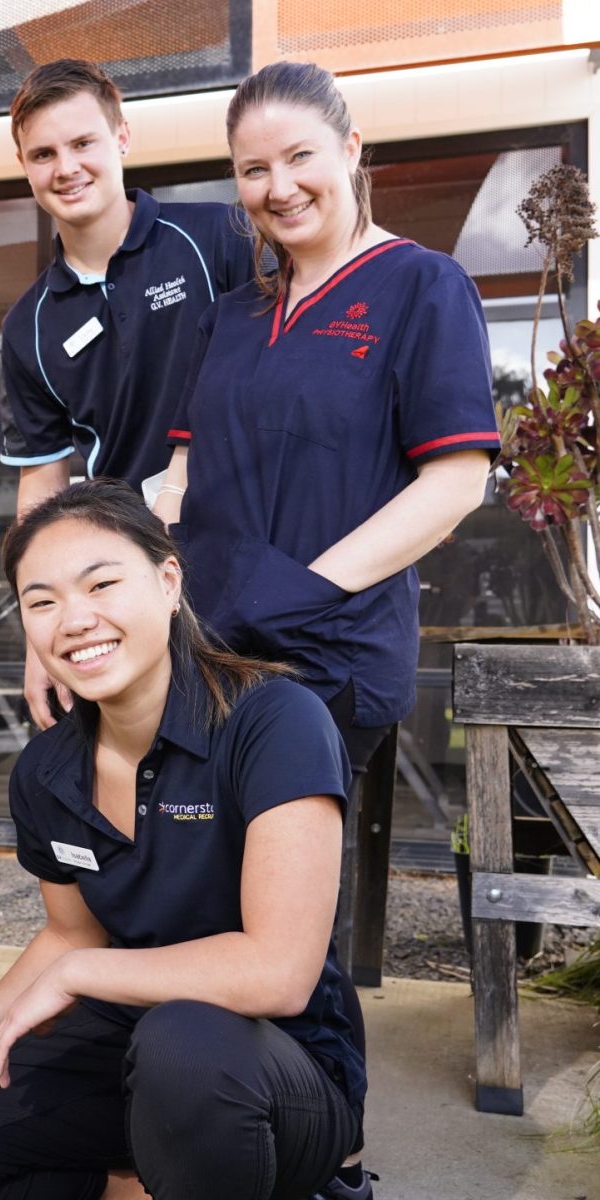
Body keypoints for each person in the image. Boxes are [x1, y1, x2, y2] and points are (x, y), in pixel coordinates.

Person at [155, 61, 500, 1200]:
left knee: (284, 913)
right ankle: (221, 1120)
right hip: (205, 649)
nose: (278, 185)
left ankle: (334, 1154)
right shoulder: (233, 314)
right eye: (254, 169)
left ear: (354, 151)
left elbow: (452, 485)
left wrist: (298, 590)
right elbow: (189, 471)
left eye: (300, 155)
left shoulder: (422, 286)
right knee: (203, 898)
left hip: (325, 658)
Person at [0, 479, 363, 1199]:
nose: (74, 620)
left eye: (101, 584)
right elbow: (72, 935)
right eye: (42, 601)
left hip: (272, 1072)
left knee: (184, 1047)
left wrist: (78, 978)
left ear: (167, 581)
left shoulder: (275, 721)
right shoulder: (47, 770)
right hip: (124, 1048)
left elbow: (278, 972)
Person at [0, 60, 257, 729]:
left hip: (249, 561)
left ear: (122, 139)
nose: (66, 167)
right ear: (25, 167)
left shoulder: (217, 239)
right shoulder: (28, 324)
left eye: (83, 143)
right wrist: (40, 632)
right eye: (44, 154)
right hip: (127, 590)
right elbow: (44, 486)